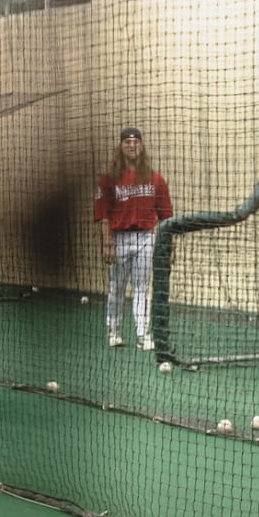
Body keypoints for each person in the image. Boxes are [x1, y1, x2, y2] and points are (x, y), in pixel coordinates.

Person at [93, 127, 172, 351]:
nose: (132, 145)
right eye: (127, 142)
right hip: (118, 239)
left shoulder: (155, 179)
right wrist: (107, 243)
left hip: (145, 237)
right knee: (117, 287)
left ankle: (143, 334)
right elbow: (103, 215)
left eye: (136, 141)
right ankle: (114, 331)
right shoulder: (108, 180)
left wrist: (170, 246)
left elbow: (166, 215)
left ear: (141, 146)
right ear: (121, 146)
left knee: (141, 287)